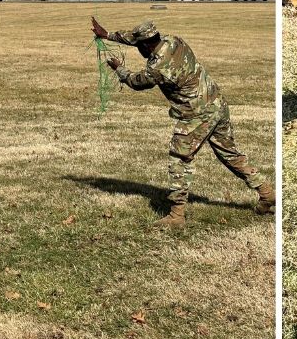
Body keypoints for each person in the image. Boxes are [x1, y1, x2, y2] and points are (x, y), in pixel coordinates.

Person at [90, 17, 275, 227]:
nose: (137, 47)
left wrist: (119, 69)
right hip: (216, 103)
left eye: (139, 45)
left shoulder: (159, 68)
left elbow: (136, 82)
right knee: (229, 154)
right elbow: (136, 38)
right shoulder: (173, 40)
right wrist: (108, 35)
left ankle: (176, 215)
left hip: (196, 114)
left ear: (146, 45)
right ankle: (267, 193)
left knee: (179, 158)